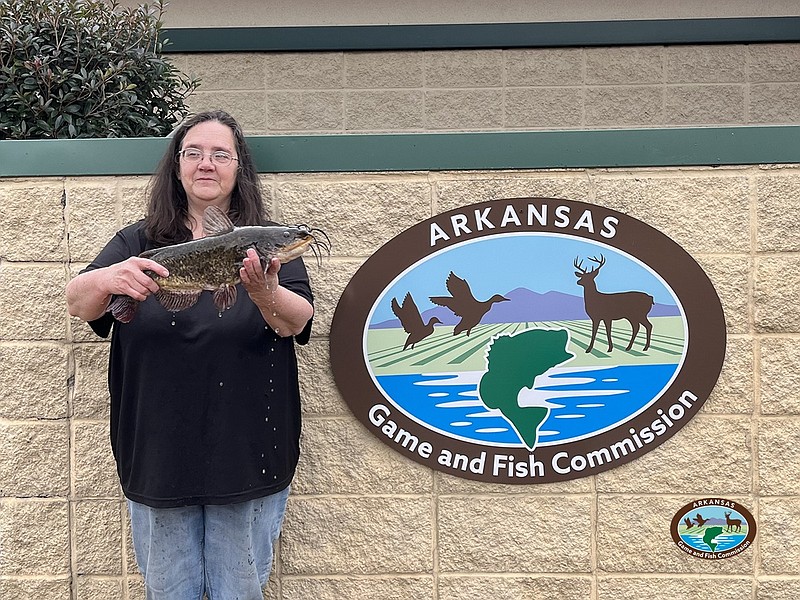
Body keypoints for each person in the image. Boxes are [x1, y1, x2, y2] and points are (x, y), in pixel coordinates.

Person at [66, 110, 314, 599]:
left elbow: (296, 320)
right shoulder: (138, 241)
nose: (207, 164)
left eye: (220, 154)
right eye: (193, 152)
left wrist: (265, 292)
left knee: (238, 591)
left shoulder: (262, 242)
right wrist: (109, 278)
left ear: (238, 167)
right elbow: (78, 302)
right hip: (158, 450)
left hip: (248, 451)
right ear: (176, 166)